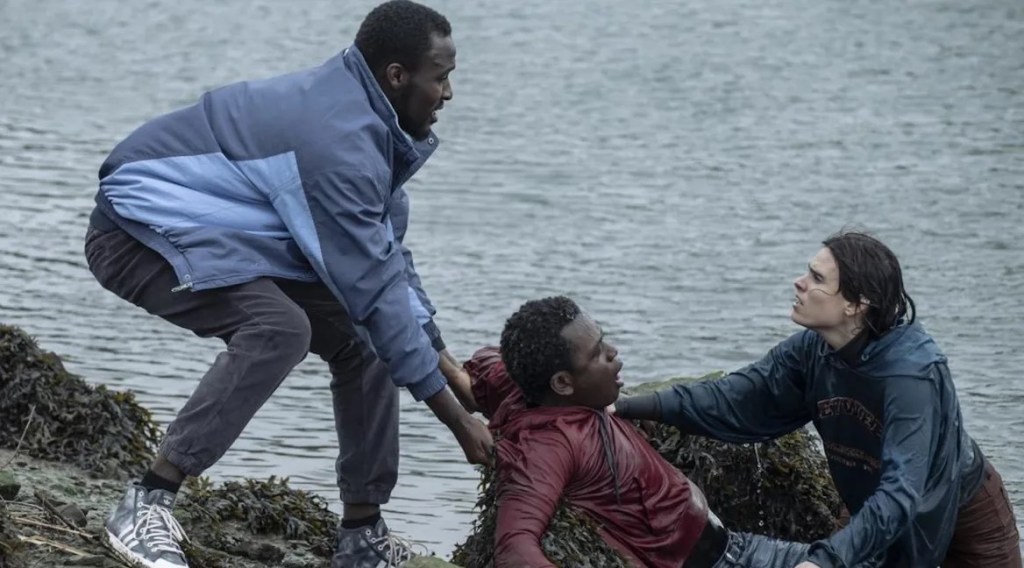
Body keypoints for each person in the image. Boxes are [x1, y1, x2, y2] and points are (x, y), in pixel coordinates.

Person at [82, 2, 492, 567]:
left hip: (226, 237)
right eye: (441, 76)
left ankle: (362, 533)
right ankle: (147, 498)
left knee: (365, 337)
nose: (447, 92)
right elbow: (374, 288)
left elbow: (387, 261)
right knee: (279, 328)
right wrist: (458, 421)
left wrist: (447, 364)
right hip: (136, 232)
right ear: (397, 76)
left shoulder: (368, 124)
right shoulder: (338, 144)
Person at [615, 231, 1022, 568]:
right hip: (871, 501)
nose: (800, 282)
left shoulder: (910, 374)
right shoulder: (811, 351)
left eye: (816, 278)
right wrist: (634, 407)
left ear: (855, 305)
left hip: (960, 505)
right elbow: (734, 395)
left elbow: (903, 491)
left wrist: (827, 560)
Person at [478, 296, 813, 568]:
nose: (614, 354)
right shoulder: (550, 444)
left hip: (740, 546)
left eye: (603, 339)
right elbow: (514, 550)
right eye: (598, 353)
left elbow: (486, 361)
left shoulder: (525, 383)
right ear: (563, 383)